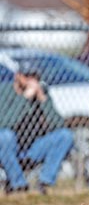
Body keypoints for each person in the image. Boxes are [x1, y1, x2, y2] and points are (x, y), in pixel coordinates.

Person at [0, 65, 74, 195]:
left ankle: (45, 182)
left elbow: (58, 125)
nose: (32, 81)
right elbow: (5, 123)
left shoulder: (42, 93)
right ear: (18, 76)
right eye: (27, 76)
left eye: (35, 77)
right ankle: (19, 186)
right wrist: (25, 98)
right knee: (6, 136)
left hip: (33, 148)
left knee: (65, 136)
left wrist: (43, 99)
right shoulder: (4, 92)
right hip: (9, 148)